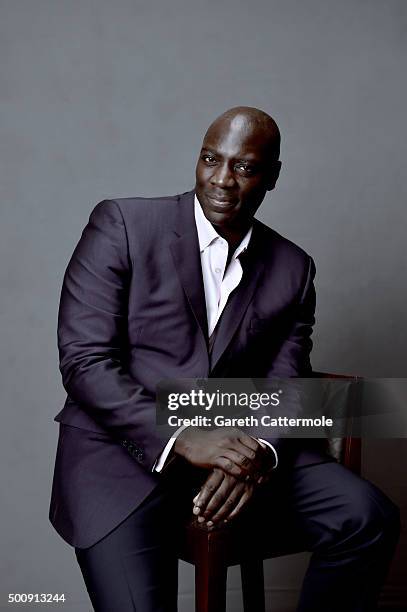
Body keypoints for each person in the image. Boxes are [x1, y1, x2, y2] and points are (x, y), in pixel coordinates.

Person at [49, 106, 400, 611]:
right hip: (122, 457)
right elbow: (85, 362)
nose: (221, 180)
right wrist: (182, 436)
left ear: (272, 177)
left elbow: (286, 382)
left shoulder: (293, 268)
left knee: (368, 517)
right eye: (211, 159)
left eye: (244, 167)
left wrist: (255, 452)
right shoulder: (122, 224)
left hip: (234, 444)